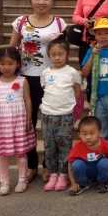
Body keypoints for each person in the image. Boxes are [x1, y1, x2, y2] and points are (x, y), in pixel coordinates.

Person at [2, 0, 66, 184]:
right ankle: (31, 165)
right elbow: (11, 51)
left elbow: (63, 51)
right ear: (31, 0)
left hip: (51, 79)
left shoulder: (60, 23)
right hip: (26, 78)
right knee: (27, 123)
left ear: (52, 1)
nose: (41, 2)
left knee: (50, 123)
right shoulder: (20, 22)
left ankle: (49, 164)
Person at [0, 47, 34, 195]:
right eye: (2, 64)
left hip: (19, 122)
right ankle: (4, 182)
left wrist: (28, 120)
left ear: (17, 64)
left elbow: (28, 100)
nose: (6, 67)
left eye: (10, 63)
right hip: (1, 124)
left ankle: (22, 179)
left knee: (21, 152)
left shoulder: (22, 81)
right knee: (1, 153)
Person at [39, 37, 81, 192]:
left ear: (67, 54)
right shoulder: (45, 73)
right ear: (49, 55)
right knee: (49, 146)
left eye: (60, 54)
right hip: (47, 115)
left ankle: (64, 174)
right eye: (53, 54)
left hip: (64, 116)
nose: (57, 57)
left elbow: (77, 92)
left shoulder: (72, 73)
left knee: (64, 146)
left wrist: (68, 106)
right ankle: (53, 174)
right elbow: (45, 90)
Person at [81, 18, 108, 155]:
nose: (103, 37)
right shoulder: (92, 51)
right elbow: (84, 73)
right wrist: (93, 56)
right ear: (94, 35)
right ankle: (103, 160)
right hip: (98, 99)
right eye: (99, 33)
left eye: (107, 33)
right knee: (101, 132)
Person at [67, 116, 108, 195]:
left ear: (100, 132)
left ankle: (102, 182)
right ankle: (83, 183)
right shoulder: (78, 146)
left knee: (105, 162)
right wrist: (73, 183)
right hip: (87, 170)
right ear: (79, 134)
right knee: (76, 164)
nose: (88, 137)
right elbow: (70, 163)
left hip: (101, 170)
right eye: (84, 134)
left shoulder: (105, 144)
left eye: (92, 133)